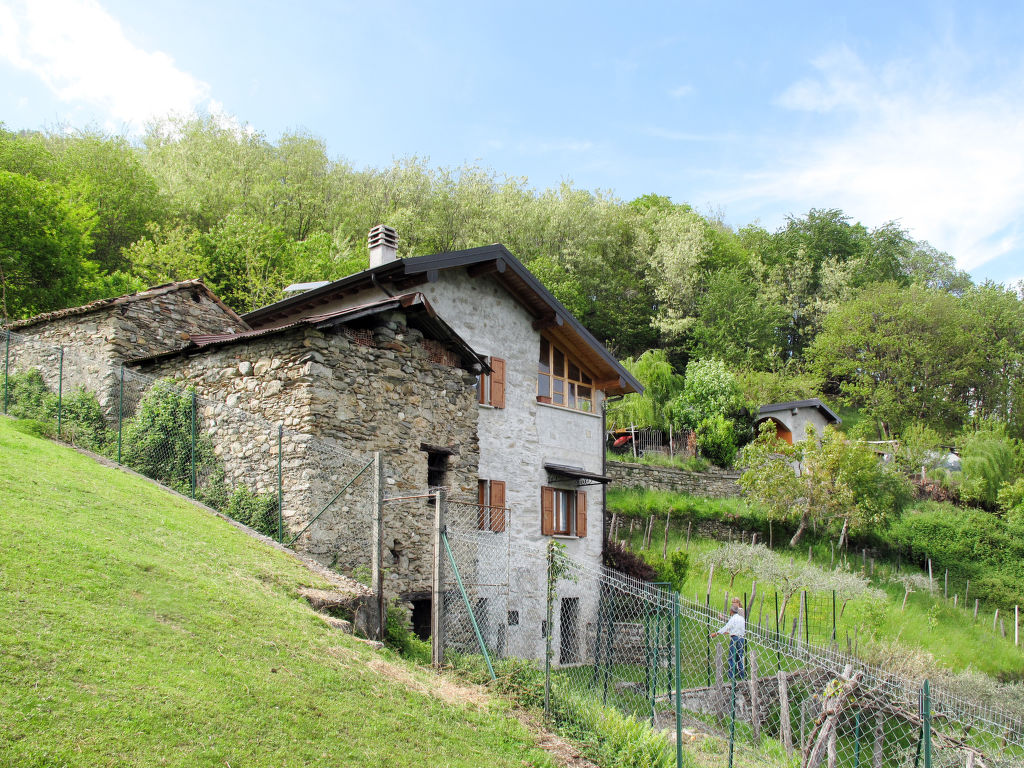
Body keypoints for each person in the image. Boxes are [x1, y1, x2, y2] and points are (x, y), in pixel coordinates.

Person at [711, 597, 746, 680]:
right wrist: (731, 631)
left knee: (732, 657)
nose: (733, 604)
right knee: (739, 657)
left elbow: (727, 626)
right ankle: (742, 676)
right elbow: (737, 626)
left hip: (735, 638)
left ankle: (731, 676)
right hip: (741, 638)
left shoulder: (739, 612)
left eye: (734, 602)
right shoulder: (741, 618)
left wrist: (716, 634)